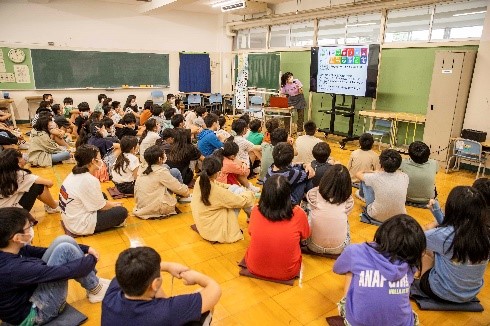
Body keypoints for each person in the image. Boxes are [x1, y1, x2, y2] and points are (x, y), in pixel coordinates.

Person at [0, 207, 111, 325]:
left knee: (63, 240)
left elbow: (40, 251)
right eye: (29, 227)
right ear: (17, 238)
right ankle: (95, 288)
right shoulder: (12, 268)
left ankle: (94, 285)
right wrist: (91, 258)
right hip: (34, 315)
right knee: (65, 250)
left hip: (30, 294)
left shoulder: (10, 249)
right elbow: (64, 272)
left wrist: (86, 248)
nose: (31, 229)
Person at [333, 214, 426, 326]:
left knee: (351, 270)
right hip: (401, 323)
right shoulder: (411, 264)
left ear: (382, 232)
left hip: (357, 322)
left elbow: (337, 269)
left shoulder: (355, 251)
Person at [101, 246, 221, 326]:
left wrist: (167, 266)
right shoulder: (166, 312)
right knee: (204, 302)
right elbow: (214, 289)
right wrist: (197, 277)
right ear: (156, 283)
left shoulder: (109, 296)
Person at [420, 186, 490, 303]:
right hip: (470, 294)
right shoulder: (485, 235)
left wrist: (432, 225)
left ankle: (423, 277)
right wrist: (437, 213)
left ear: (451, 208)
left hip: (439, 291)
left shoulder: (445, 236)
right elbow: (456, 229)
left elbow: (418, 237)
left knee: (427, 251)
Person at [245, 175, 310, 280]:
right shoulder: (298, 213)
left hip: (254, 267)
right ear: (288, 195)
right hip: (287, 272)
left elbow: (250, 232)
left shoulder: (256, 210)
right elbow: (305, 236)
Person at [59, 145, 128, 235]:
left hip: (70, 218)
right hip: (79, 225)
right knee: (121, 211)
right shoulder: (89, 180)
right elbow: (102, 206)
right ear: (92, 161)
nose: (101, 160)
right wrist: (114, 205)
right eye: (99, 158)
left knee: (102, 195)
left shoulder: (74, 173)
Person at [191, 157, 255, 243]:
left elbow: (219, 184)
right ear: (217, 173)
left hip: (204, 224)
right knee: (241, 194)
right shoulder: (217, 192)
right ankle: (253, 218)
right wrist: (248, 192)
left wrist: (234, 187)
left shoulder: (201, 180)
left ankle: (252, 217)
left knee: (236, 189)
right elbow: (241, 201)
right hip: (214, 231)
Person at [305, 164, 353, 254]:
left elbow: (310, 207)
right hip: (339, 249)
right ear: (347, 184)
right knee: (346, 221)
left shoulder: (313, 194)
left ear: (325, 179)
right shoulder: (348, 200)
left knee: (307, 210)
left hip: (312, 245)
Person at [133, 145, 190, 219]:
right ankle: (183, 197)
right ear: (160, 159)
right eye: (164, 154)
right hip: (156, 208)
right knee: (174, 174)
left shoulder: (142, 167)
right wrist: (187, 192)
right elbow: (177, 187)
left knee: (171, 171)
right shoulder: (161, 172)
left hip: (140, 205)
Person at [356, 149, 408, 223]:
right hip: (399, 217)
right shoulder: (405, 176)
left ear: (381, 164)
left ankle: (361, 195)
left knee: (365, 181)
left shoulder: (375, 176)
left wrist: (371, 171)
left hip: (376, 215)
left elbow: (358, 174)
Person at [0, 149, 60, 213]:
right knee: (38, 186)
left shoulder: (4, 173)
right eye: (21, 157)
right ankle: (54, 206)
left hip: (3, 211)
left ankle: (51, 203)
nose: (24, 158)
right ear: (18, 162)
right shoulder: (20, 174)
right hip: (11, 215)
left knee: (29, 185)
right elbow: (49, 183)